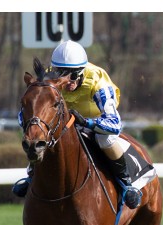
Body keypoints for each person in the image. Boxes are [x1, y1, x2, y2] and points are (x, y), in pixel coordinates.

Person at [12, 40, 141, 209]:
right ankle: (32, 176)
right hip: (66, 120)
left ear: (82, 71)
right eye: (62, 74)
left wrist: (86, 122)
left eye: (73, 75)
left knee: (105, 140)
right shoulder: (50, 79)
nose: (68, 81)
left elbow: (115, 124)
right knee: (43, 138)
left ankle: (126, 184)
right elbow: (25, 115)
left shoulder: (98, 82)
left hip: (96, 119)